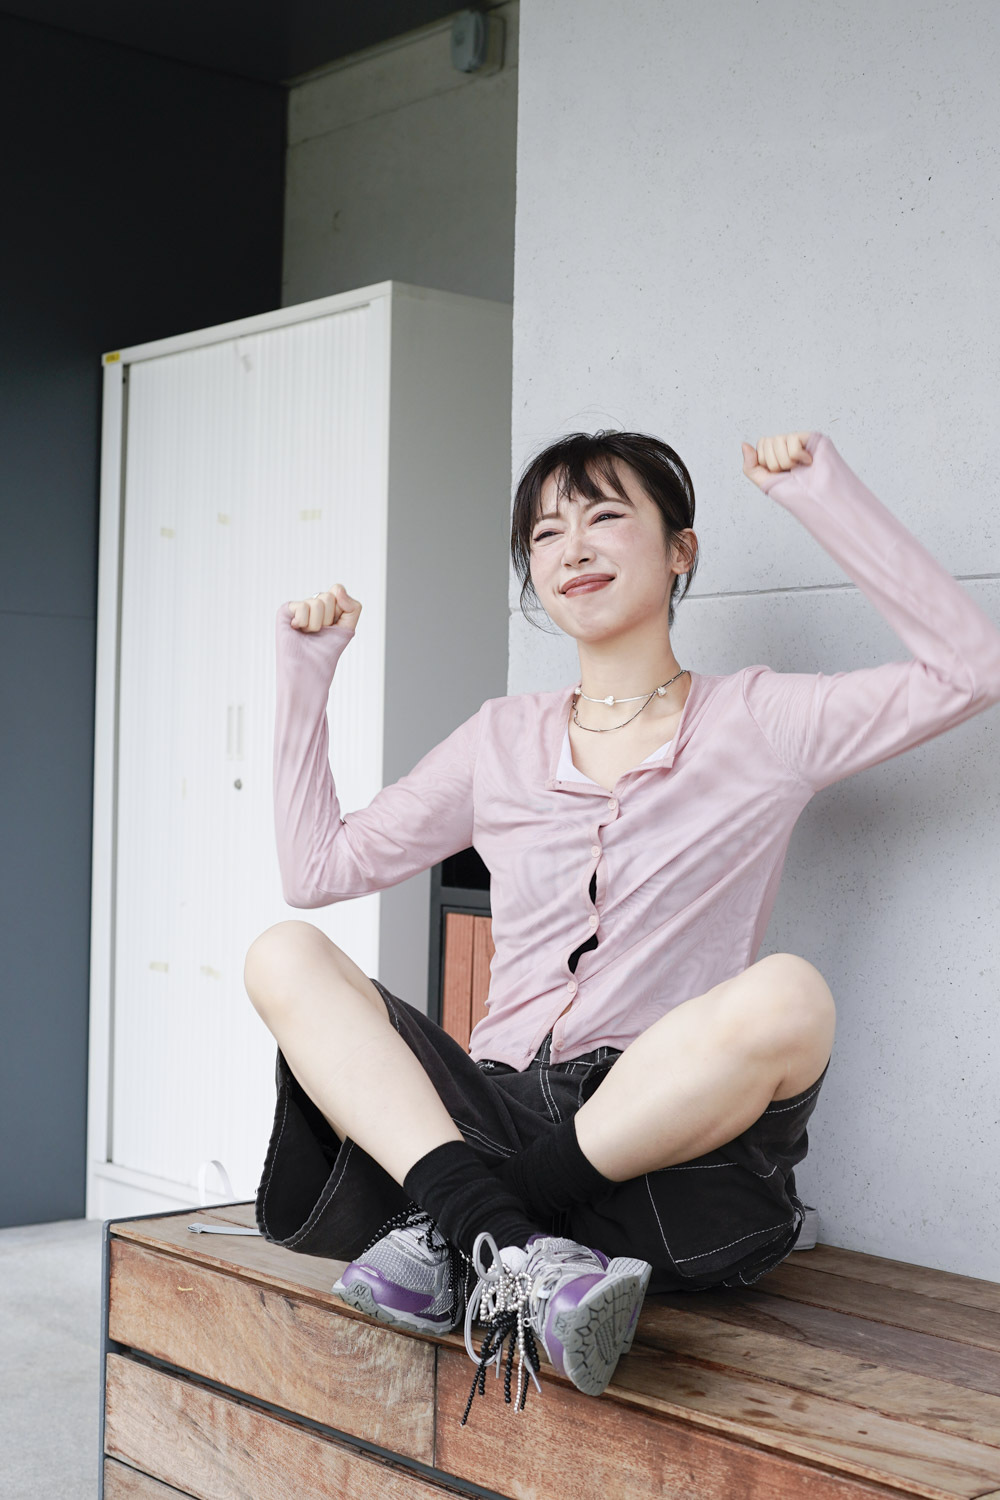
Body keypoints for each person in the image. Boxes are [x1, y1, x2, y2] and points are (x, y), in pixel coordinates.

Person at [244, 429, 1000, 1423]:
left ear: (681, 550)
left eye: (605, 516)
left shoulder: (762, 720)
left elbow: (970, 670)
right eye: (545, 533)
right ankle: (517, 1245)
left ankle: (465, 1231)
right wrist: (307, 673)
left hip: (662, 1149)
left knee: (791, 995)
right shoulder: (498, 739)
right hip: (488, 1113)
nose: (573, 548)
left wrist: (820, 493)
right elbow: (316, 870)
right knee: (283, 954)